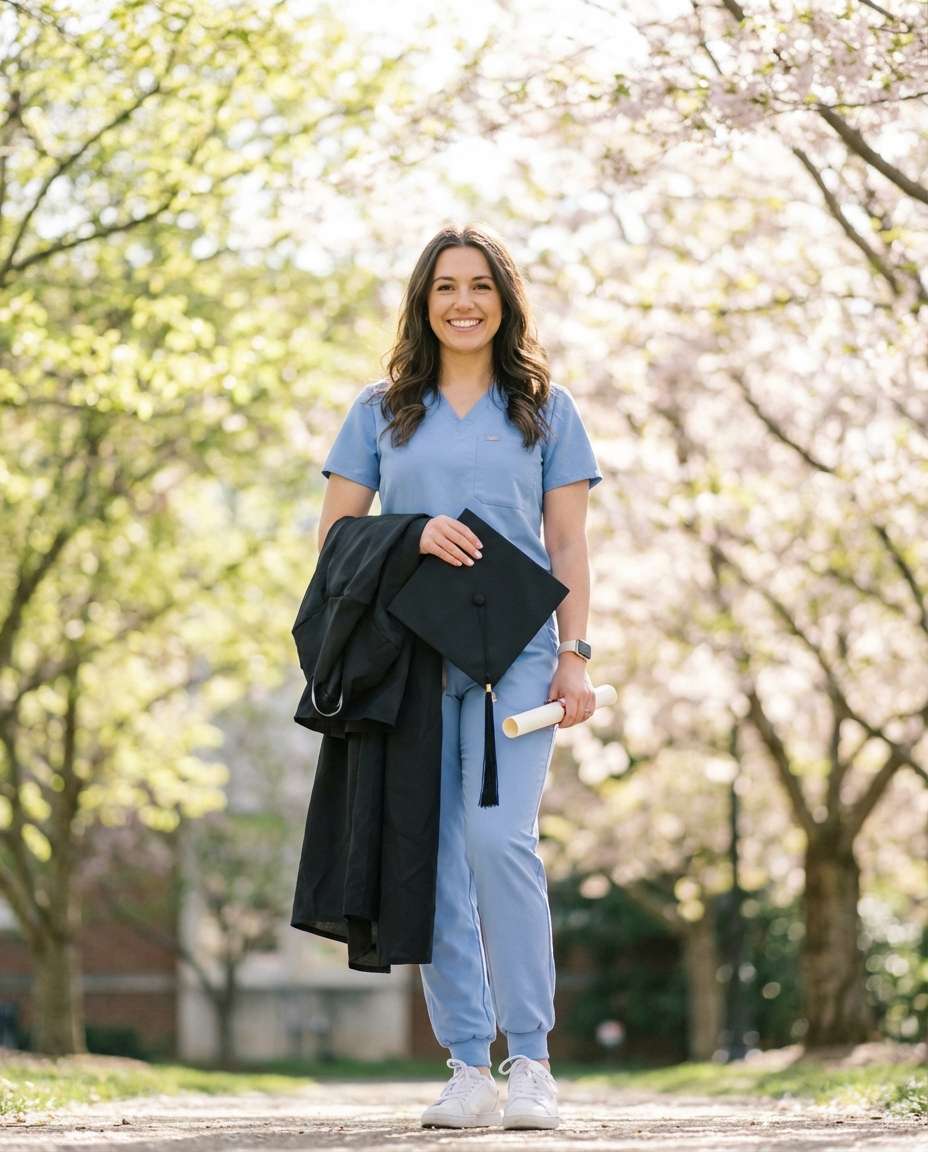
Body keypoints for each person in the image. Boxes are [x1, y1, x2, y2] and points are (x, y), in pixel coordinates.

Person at [316, 223, 603, 1130]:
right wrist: (413, 532)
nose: (464, 301)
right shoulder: (380, 409)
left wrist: (576, 655)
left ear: (504, 299)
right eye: (445, 286)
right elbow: (333, 540)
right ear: (423, 301)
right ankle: (467, 1066)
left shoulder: (547, 410)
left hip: (516, 660)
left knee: (497, 841)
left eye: (480, 285)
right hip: (410, 659)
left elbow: (567, 543)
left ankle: (532, 1063)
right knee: (430, 856)